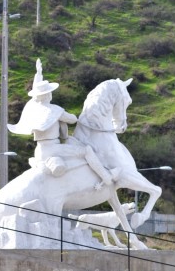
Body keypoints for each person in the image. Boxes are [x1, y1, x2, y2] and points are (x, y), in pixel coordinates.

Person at [7, 58, 112, 188]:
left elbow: (35, 95)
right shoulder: (55, 110)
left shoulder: (33, 107)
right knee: (87, 151)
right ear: (48, 95)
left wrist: (38, 74)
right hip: (53, 149)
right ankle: (106, 178)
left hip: (39, 151)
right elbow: (72, 119)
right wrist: (70, 116)